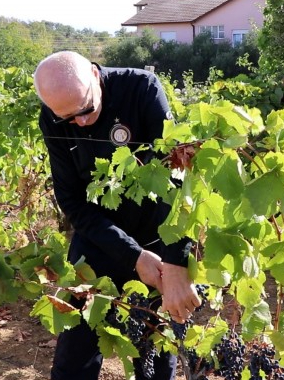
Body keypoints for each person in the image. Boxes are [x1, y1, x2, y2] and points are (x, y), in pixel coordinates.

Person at [33, 50, 202, 380]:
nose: (79, 122)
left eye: (86, 109)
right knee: (73, 360)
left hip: (160, 241)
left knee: (155, 359)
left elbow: (178, 177)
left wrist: (177, 261)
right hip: (99, 241)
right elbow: (73, 202)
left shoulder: (141, 90)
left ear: (96, 76)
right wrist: (133, 256)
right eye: (68, 118)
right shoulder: (54, 116)